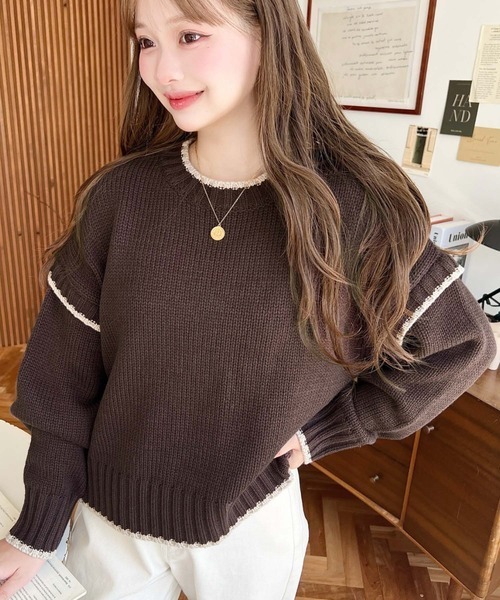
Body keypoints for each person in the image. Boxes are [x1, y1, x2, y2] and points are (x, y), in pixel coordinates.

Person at [0, 0, 496, 598]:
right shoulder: (119, 198)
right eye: (146, 41)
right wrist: (37, 527)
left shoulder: (354, 211)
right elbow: (59, 383)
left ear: (268, 33)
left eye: (190, 35)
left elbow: (460, 346)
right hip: (109, 516)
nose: (161, 70)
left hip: (250, 526)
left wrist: (329, 430)